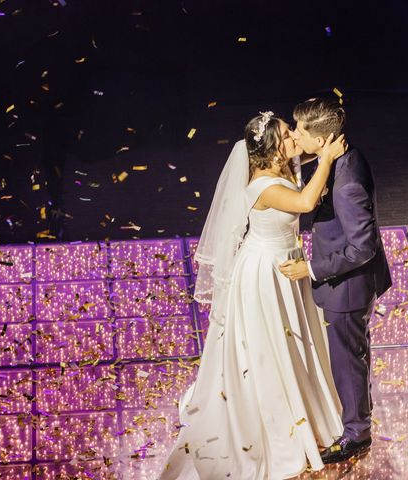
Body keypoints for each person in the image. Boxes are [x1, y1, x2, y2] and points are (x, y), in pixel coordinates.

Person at [158, 111, 348, 479]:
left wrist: (320, 144)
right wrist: (325, 159)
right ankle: (278, 428)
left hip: (287, 263)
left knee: (294, 342)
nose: (294, 137)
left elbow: (307, 148)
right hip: (266, 272)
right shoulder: (263, 185)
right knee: (269, 346)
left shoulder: (282, 164)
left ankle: (306, 408)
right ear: (274, 149)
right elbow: (306, 203)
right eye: (287, 134)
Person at [280, 98, 392, 464]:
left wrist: (311, 270)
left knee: (348, 361)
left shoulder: (346, 184)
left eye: (300, 130)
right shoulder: (345, 156)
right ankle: (358, 418)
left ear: (322, 137)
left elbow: (363, 247)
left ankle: (357, 434)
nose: (295, 135)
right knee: (352, 356)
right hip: (348, 287)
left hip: (347, 290)